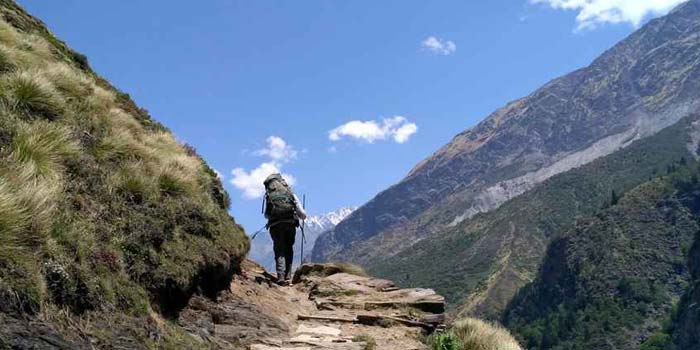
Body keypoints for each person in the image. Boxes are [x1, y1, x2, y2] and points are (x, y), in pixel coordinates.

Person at [263, 173, 306, 285]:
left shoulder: (269, 195)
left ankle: (280, 277)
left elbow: (266, 214)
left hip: (275, 226)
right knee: (289, 249)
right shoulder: (290, 194)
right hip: (290, 225)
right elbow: (302, 214)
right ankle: (288, 276)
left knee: (279, 249)